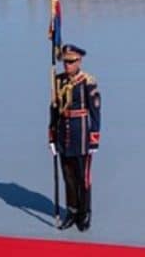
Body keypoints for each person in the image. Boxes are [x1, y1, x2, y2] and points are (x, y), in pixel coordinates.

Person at [49, 44, 101, 232]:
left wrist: (94, 138)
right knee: (68, 176)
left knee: (83, 178)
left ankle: (84, 212)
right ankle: (71, 211)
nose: (67, 65)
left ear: (79, 61)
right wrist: (52, 137)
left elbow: (95, 111)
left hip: (81, 136)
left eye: (71, 62)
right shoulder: (58, 81)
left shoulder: (87, 81)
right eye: (65, 62)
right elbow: (54, 110)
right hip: (64, 135)